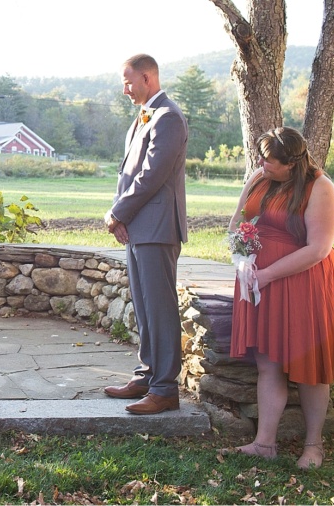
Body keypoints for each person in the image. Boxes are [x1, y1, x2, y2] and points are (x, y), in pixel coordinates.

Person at [227, 126, 334, 469]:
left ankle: (314, 446)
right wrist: (241, 259)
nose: (261, 163)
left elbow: (318, 249)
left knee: (310, 367)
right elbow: (237, 222)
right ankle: (264, 443)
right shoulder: (259, 177)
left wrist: (267, 274)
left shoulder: (321, 188)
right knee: (268, 362)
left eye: (268, 160)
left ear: (291, 164)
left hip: (302, 283)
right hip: (258, 283)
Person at [102, 54, 188, 415]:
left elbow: (151, 175)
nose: (125, 89)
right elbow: (129, 174)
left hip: (157, 228)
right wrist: (122, 216)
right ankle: (148, 375)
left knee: (160, 308)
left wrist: (117, 213)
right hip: (140, 228)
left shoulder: (168, 118)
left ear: (148, 77)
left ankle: (166, 389)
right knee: (144, 306)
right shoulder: (144, 117)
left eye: (128, 81)